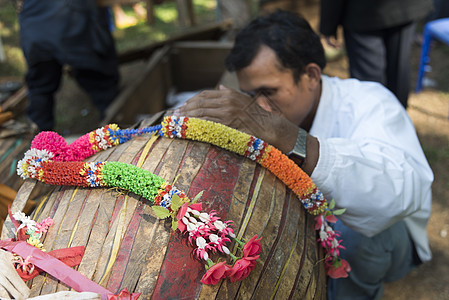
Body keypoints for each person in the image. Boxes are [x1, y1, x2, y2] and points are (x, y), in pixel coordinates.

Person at [180, 10, 433, 300]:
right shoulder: (269, 111)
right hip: (316, 231)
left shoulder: (372, 102)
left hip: (393, 238)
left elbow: (400, 194)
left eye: (269, 91)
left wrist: (288, 136)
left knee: (355, 237)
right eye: (250, 94)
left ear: (311, 75)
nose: (260, 106)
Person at [19, 0, 120, 131]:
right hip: (75, 22)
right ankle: (118, 129)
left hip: (36, 28)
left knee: (40, 88)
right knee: (101, 83)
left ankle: (37, 139)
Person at [319, 0, 433, 108]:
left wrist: (328, 25)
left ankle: (391, 123)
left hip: (365, 13)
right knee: (396, 72)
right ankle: (397, 123)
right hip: (402, 8)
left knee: (370, 84)